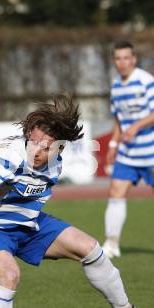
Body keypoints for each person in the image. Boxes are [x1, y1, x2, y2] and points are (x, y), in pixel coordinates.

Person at [0, 95, 134, 308]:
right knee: (9, 276)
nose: (37, 152)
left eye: (46, 147)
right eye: (34, 143)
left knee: (91, 249)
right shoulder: (9, 157)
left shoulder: (55, 164)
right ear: (28, 134)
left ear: (60, 148)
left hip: (28, 225)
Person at [103, 41, 154, 258]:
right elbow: (118, 120)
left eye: (126, 58)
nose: (122, 62)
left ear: (133, 59)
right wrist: (113, 145)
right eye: (118, 58)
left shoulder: (145, 81)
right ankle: (112, 244)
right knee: (116, 192)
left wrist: (136, 126)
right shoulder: (116, 86)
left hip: (151, 151)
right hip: (127, 153)